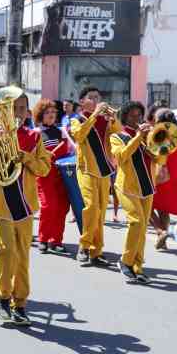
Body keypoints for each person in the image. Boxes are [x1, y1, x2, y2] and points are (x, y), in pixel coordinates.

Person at [0, 92, 50, 326]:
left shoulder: (34, 137)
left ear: (27, 112)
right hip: (1, 203)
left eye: (20, 108)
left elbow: (44, 168)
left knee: (22, 257)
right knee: (6, 252)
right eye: (11, 109)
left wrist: (26, 157)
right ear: (1, 112)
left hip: (25, 205)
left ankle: (20, 303)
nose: (16, 113)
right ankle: (2, 296)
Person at [109, 101, 159, 284]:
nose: (137, 119)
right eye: (133, 116)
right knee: (136, 222)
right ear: (124, 118)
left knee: (143, 228)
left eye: (139, 115)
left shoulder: (147, 136)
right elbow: (121, 157)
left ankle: (137, 267)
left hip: (147, 187)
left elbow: (160, 157)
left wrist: (153, 143)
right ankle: (125, 261)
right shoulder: (117, 137)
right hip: (127, 187)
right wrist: (138, 137)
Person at [70, 86, 120, 267]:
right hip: (86, 169)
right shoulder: (76, 119)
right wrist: (94, 116)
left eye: (97, 97)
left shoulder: (105, 120)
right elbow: (78, 135)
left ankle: (96, 251)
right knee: (91, 208)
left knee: (100, 213)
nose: (96, 100)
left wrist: (113, 120)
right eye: (91, 97)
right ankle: (84, 246)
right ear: (82, 102)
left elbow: (118, 133)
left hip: (105, 169)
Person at [33, 98, 71, 253]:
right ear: (40, 115)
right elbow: (32, 155)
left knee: (62, 207)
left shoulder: (62, 131)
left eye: (53, 112)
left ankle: (56, 240)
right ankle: (43, 238)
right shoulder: (36, 133)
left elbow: (69, 152)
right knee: (49, 206)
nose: (51, 115)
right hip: (44, 175)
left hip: (61, 174)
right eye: (47, 112)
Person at [148, 104, 177, 250]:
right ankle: (162, 241)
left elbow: (155, 152)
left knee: (146, 206)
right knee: (164, 209)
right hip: (175, 176)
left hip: (161, 175)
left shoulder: (160, 133)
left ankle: (160, 231)